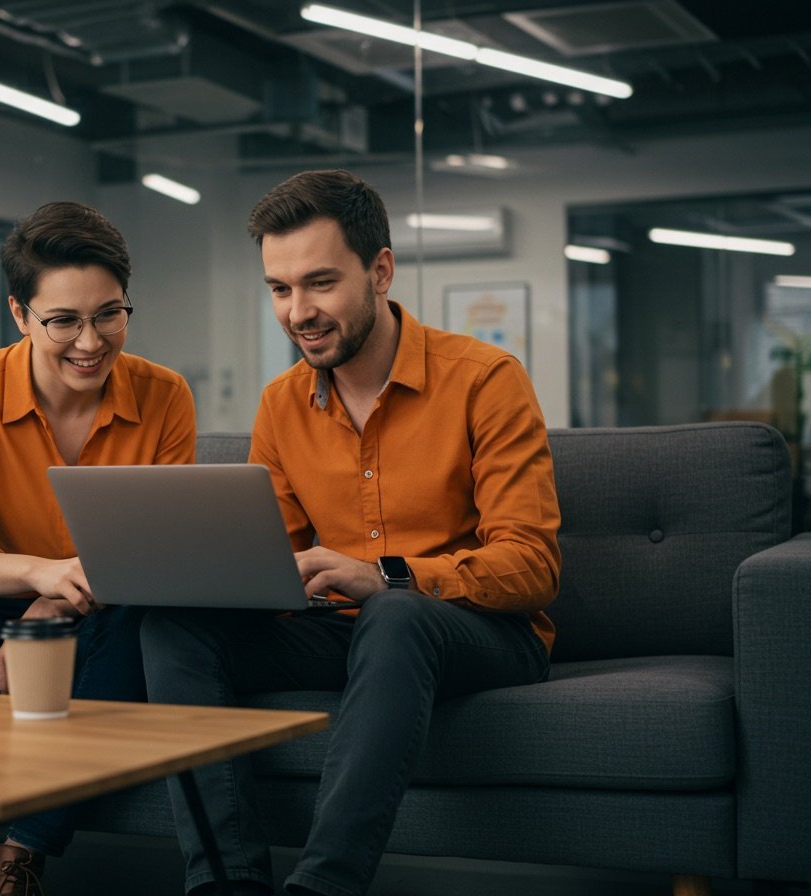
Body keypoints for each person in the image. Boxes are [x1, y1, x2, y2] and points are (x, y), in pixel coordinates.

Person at [141, 169, 561, 896]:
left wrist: (390, 575)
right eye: (279, 289)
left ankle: (323, 887)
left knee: (395, 612)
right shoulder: (280, 405)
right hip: (341, 629)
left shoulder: (486, 380)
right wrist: (216, 579)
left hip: (476, 630)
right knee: (172, 624)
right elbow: (275, 561)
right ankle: (223, 883)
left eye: (320, 283)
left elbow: (530, 566)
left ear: (381, 270)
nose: (297, 311)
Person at [0, 201, 197, 896]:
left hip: (98, 620)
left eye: (109, 313)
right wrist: (37, 575)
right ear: (20, 314)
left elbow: (158, 553)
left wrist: (57, 602)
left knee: (147, 622)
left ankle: (21, 856)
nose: (91, 341)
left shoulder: (165, 395)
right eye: (64, 321)